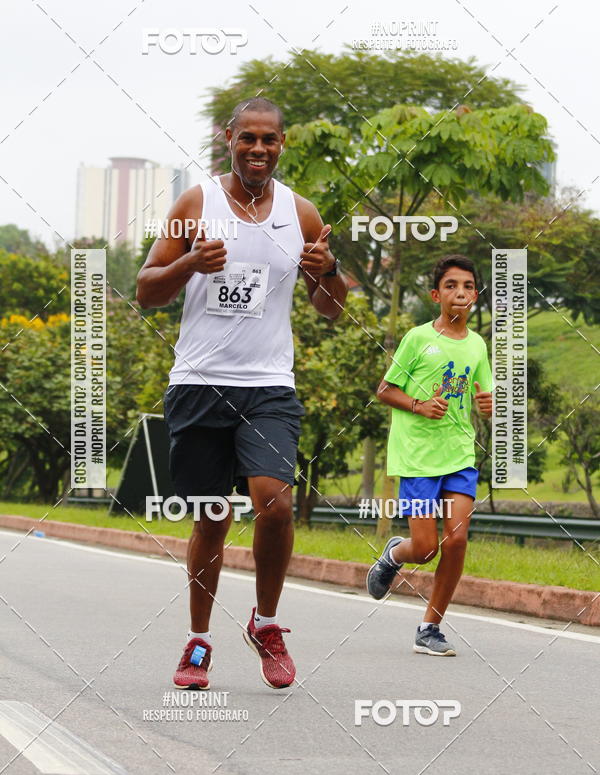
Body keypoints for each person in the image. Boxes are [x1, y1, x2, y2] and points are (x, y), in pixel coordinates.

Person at [136, 97, 347, 689]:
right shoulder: (195, 204)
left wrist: (328, 271)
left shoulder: (301, 213)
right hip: (200, 383)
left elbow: (330, 309)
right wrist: (190, 266)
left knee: (275, 504)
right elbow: (146, 290)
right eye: (247, 138)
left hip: (269, 386)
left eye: (270, 140)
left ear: (284, 144)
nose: (258, 149)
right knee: (211, 519)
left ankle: (267, 623)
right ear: (228, 138)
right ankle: (198, 641)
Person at [367, 254, 493, 656]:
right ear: (436, 295)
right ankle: (394, 555)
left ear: (475, 296)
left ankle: (429, 628)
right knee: (426, 548)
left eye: (469, 286)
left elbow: (482, 392)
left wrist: (489, 402)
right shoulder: (418, 338)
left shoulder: (477, 345)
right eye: (452, 286)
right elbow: (385, 390)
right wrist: (419, 405)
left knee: (456, 542)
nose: (461, 293)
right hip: (418, 457)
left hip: (458, 455)